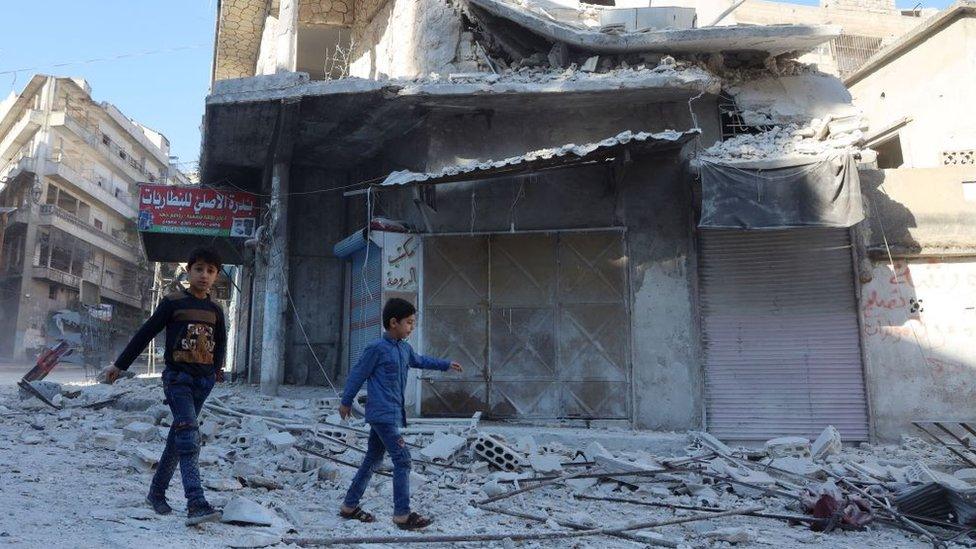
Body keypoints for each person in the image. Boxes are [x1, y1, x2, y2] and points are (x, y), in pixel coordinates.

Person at [105, 247, 227, 526]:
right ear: (188, 271)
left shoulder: (216, 309)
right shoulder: (172, 302)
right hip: (177, 380)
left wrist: (216, 370)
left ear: (216, 276)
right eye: (199, 269)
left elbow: (220, 341)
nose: (204, 275)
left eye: (210, 271)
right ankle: (196, 501)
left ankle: (156, 493)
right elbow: (145, 334)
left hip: (203, 382)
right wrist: (119, 365)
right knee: (188, 436)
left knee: (179, 436)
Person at [338, 297, 463, 530]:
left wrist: (445, 364)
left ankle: (349, 506)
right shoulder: (376, 348)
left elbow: (420, 361)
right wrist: (346, 401)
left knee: (373, 459)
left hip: (392, 414)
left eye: (413, 323)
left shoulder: (405, 349)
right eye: (409, 323)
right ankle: (402, 515)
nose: (412, 327)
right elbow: (358, 374)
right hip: (381, 414)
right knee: (403, 459)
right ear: (393, 322)